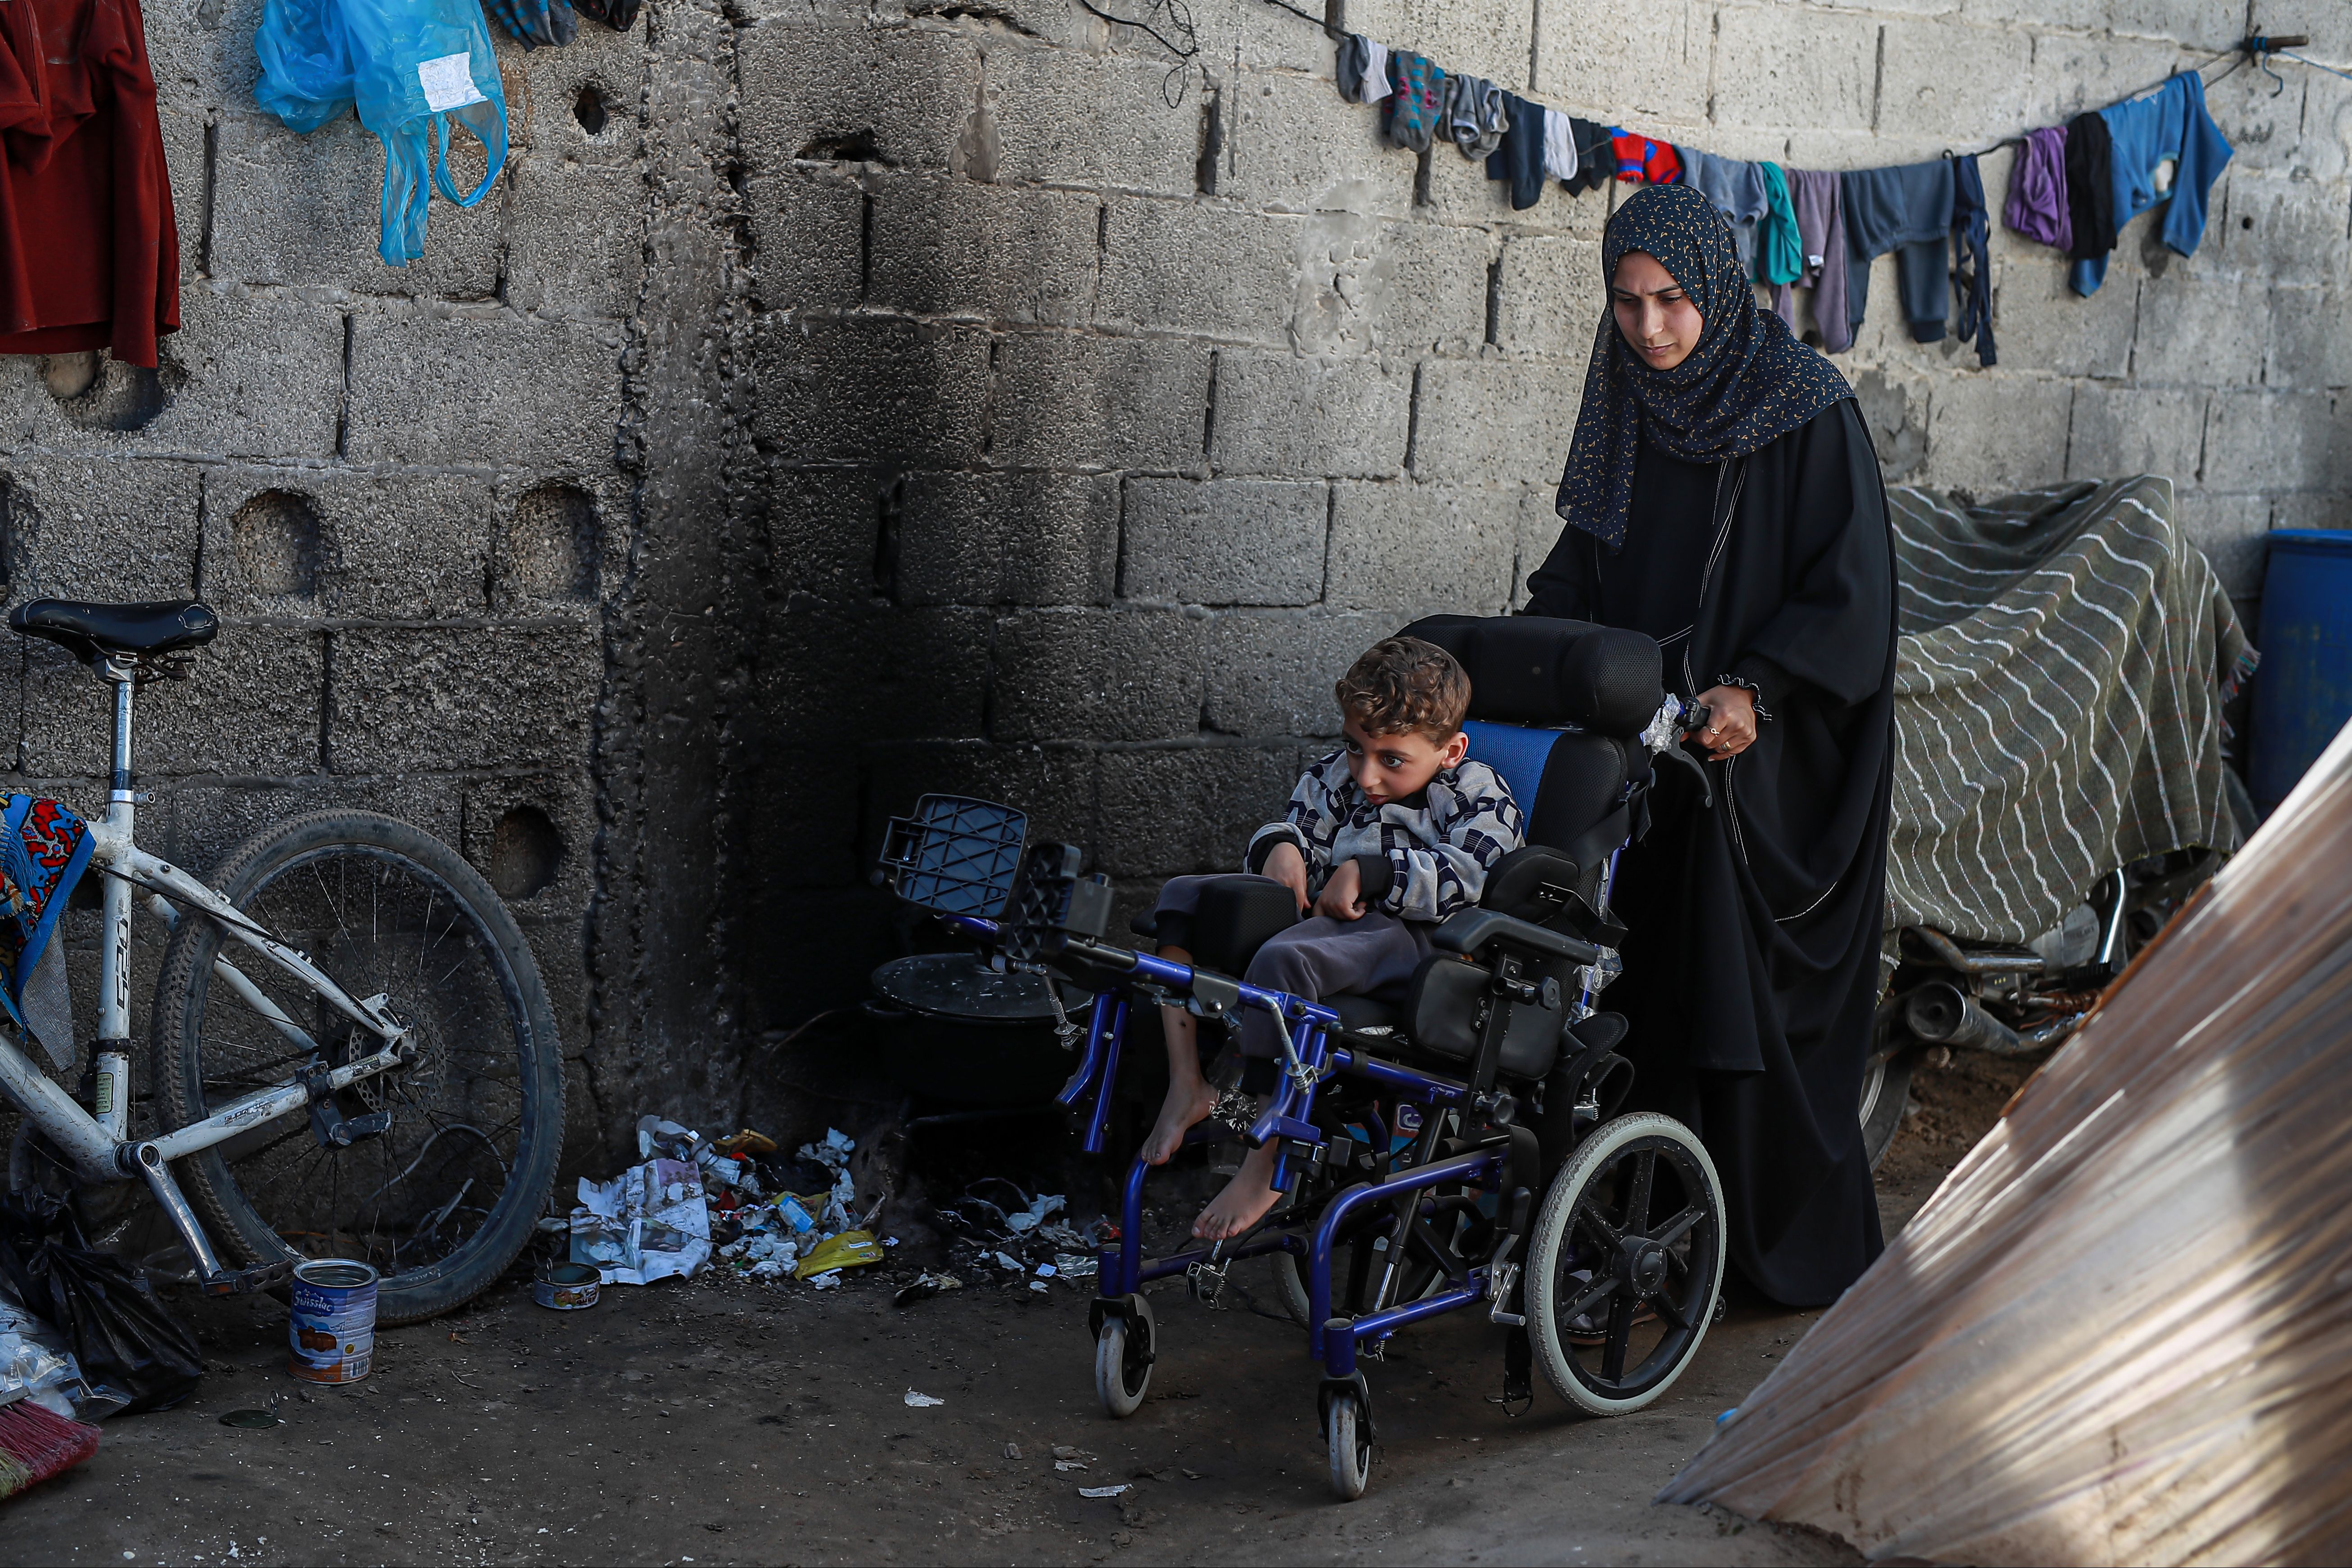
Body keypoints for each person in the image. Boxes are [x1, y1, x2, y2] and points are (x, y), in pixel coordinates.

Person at [1524, 181, 1896, 1307]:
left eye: (1673, 301)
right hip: (1645, 752)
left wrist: (1753, 687)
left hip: (1761, 764)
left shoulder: (1802, 406)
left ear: (1718, 290)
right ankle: (1625, 1211)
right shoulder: (1626, 402)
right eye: (1628, 302)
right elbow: (1579, 565)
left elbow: (1853, 598)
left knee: (1725, 976)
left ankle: (1760, 1249)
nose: (1649, 329)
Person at [1139, 636, 1524, 1241]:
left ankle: (1265, 1159)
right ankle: (1188, 1083)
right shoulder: (1339, 779)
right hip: (1329, 925)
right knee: (1184, 897)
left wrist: (1373, 873)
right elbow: (1297, 822)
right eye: (1354, 749)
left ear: (1451, 750)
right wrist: (1281, 848)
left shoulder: (1477, 793)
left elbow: (1471, 877)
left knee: (1284, 960)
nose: (1366, 775)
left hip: (1418, 941)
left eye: (1391, 760)